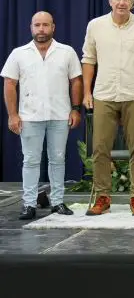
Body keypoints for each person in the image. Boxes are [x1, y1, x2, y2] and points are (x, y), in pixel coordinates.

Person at [82, 0, 134, 216]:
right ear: (110, 1)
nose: (121, 2)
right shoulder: (95, 26)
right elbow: (88, 59)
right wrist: (87, 92)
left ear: (132, 2)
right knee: (100, 148)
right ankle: (103, 197)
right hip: (104, 94)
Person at [2, 12, 83, 220]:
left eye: (45, 25)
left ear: (53, 27)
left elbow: (76, 81)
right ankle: (29, 204)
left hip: (60, 114)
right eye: (37, 25)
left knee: (57, 159)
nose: (41, 29)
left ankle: (57, 202)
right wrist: (12, 115)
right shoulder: (19, 53)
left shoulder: (66, 52)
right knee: (30, 160)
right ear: (31, 27)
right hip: (29, 116)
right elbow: (10, 84)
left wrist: (75, 109)